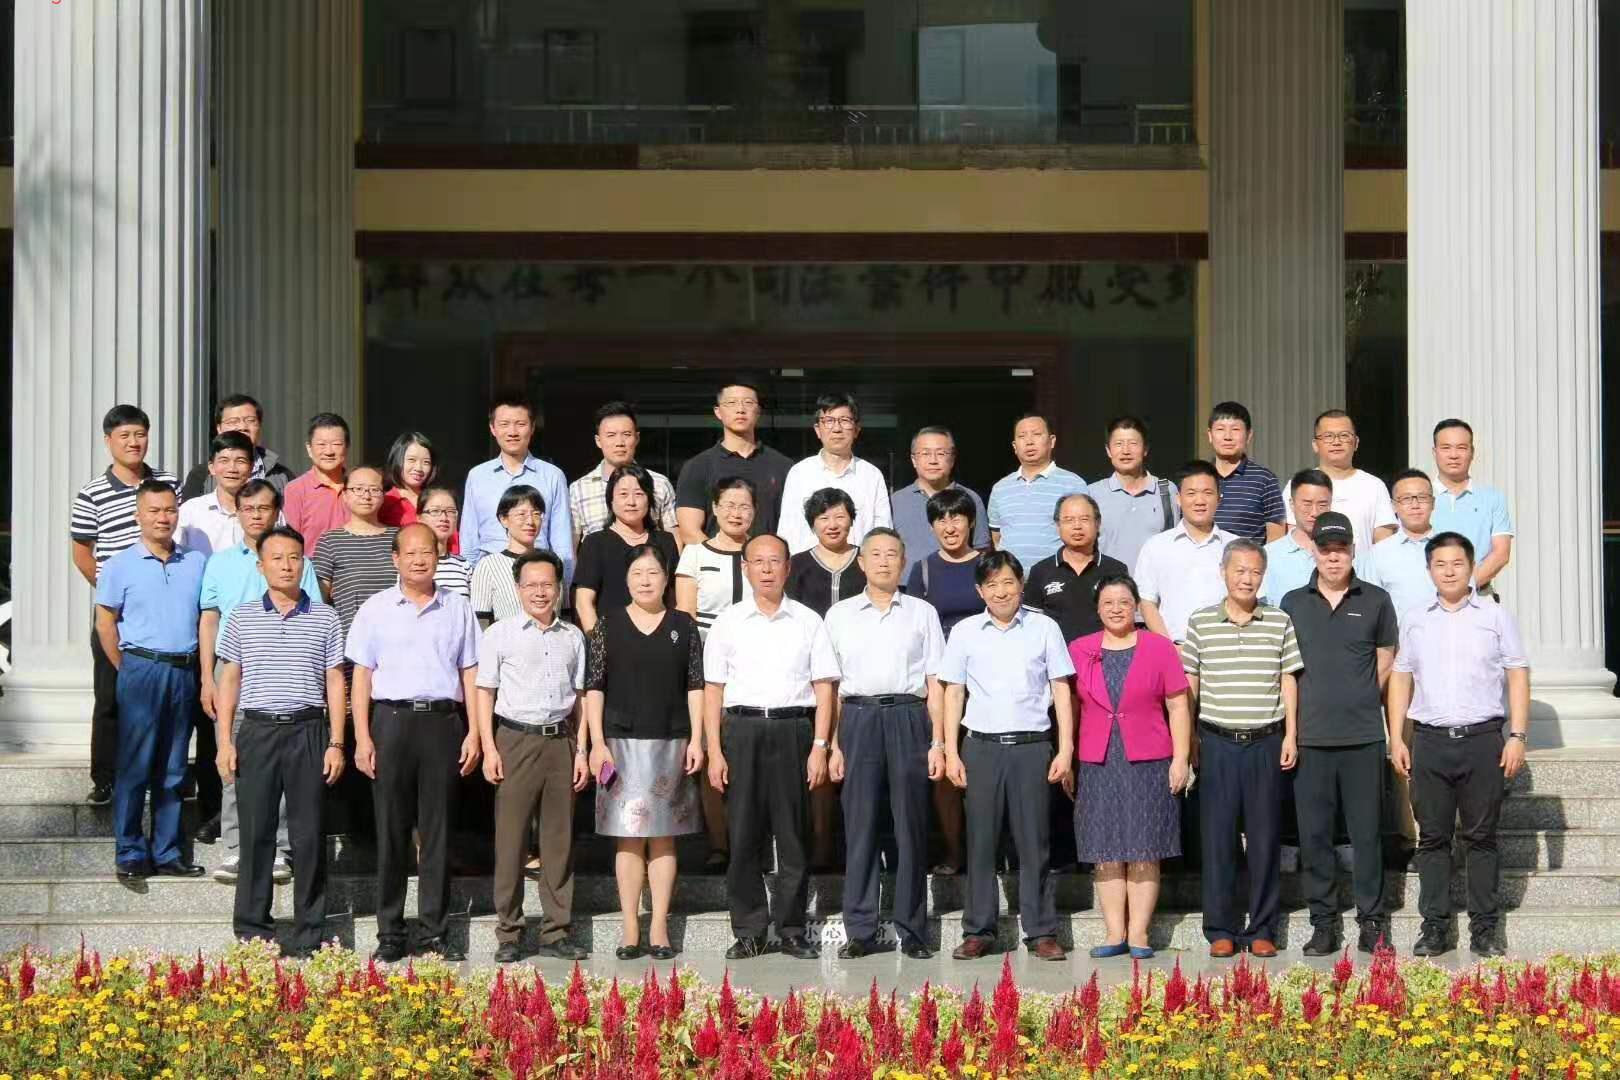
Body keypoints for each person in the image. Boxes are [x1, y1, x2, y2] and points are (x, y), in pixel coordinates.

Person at [1388, 532, 1530, 958]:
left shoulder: (1494, 616)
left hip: (1482, 740)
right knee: (1432, 839)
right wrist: (1396, 737)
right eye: (1440, 564)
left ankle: (1485, 930)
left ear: (1471, 568)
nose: (1449, 571)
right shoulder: (1415, 618)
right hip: (1430, 742)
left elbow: (1517, 672)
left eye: (1457, 564)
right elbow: (1401, 676)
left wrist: (1517, 735)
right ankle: (1434, 928)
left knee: (1481, 837)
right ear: (1429, 570)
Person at [348, 523, 483, 963]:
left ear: (438, 557)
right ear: (396, 558)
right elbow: (362, 675)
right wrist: (362, 736)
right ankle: (390, 931)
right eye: (410, 552)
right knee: (391, 830)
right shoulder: (375, 608)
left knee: (437, 831)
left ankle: (433, 932)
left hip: (443, 723)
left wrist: (475, 731)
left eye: (427, 551)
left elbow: (470, 672)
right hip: (390, 721)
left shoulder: (457, 607)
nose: (420, 559)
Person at [703, 534, 840, 961]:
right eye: (758, 562)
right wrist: (714, 750)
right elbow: (713, 690)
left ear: (787, 567)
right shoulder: (728, 622)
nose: (766, 569)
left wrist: (820, 746)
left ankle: (792, 929)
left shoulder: (808, 621)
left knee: (793, 834)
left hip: (792, 730)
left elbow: (825, 688)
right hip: (742, 730)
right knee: (743, 833)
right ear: (745, 568)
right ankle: (749, 930)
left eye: (774, 561)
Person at [211, 525, 346, 956]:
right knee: (256, 834)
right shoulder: (242, 617)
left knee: (308, 836)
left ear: (304, 563)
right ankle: (253, 931)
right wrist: (224, 742)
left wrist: (336, 742)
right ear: (261, 566)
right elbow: (228, 681)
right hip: (257, 732)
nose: (286, 566)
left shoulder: (325, 617)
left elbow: (335, 681)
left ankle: (310, 934)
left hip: (308, 731)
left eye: (294, 557)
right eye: (277, 558)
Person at [941, 551, 1076, 962]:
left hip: (1032, 747)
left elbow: (1061, 689)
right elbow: (953, 693)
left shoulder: (1044, 627)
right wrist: (951, 751)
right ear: (980, 590)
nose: (1001, 592)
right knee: (981, 843)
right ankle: (978, 930)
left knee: (1035, 843)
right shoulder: (965, 632)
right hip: (981, 747)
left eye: (1008, 582)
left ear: (1021, 584)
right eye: (991, 585)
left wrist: (1066, 748)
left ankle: (1041, 931)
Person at [824, 528, 946, 960]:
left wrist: (938, 742)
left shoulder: (922, 613)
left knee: (910, 825)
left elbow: (936, 681)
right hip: (857, 719)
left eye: (891, 554)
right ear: (861, 562)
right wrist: (832, 744)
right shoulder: (839, 614)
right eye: (874, 554)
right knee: (860, 825)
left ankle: (912, 929)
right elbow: (830, 686)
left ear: (903, 561)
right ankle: (860, 929)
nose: (883, 561)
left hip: (909, 717)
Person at [1280, 511, 1398, 955]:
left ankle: (1372, 922)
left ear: (1353, 551)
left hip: (1363, 736)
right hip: (1311, 739)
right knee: (1314, 837)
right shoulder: (1293, 602)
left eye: (1341, 549)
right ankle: (1323, 923)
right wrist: (1292, 731)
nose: (1334, 557)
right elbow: (1286, 670)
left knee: (1366, 835)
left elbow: (1385, 658)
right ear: (1313, 550)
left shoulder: (1377, 600)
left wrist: (1359, 695)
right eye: (1326, 549)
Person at [1181, 539, 1302, 959]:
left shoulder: (1279, 620)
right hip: (1216, 742)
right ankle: (1221, 928)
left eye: (1255, 572)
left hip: (1266, 742)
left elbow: (1288, 678)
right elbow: (1191, 682)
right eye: (1240, 570)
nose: (1247, 579)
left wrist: (1290, 734)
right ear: (1224, 572)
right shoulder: (1201, 622)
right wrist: (1189, 738)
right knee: (1218, 839)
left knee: (1265, 838)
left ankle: (1263, 927)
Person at [199, 479, 323, 885]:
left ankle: (280, 849)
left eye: (264, 508)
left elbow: (314, 615)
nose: (256, 515)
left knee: (284, 763)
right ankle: (237, 846)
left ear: (276, 511)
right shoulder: (220, 562)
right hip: (233, 668)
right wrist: (207, 677)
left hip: (286, 670)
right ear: (237, 513)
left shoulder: (298, 561)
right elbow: (209, 620)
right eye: (248, 508)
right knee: (233, 756)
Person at [584, 545, 705, 960]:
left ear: (666, 578)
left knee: (664, 837)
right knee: (629, 838)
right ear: (626, 580)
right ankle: (630, 927)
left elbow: (695, 686)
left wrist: (698, 739)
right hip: (620, 743)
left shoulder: (683, 626)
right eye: (637, 573)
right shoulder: (607, 624)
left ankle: (659, 927)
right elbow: (594, 687)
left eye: (653, 572)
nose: (645, 581)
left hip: (671, 741)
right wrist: (597, 743)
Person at [474, 548, 591, 964]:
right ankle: (509, 933)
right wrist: (489, 747)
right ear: (518, 588)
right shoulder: (499, 634)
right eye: (531, 585)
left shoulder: (572, 636)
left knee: (558, 841)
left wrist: (582, 750)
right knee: (511, 841)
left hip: (560, 742)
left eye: (547, 584)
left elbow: (580, 699)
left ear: (559, 588)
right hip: (515, 740)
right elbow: (484, 692)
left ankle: (556, 931)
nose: (540, 592)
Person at [1069, 574, 1192, 960]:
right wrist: (1067, 755)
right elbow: (1069, 707)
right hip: (1098, 759)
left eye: (1124, 602)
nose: (1116, 609)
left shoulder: (1159, 647)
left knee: (1145, 846)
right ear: (1097, 608)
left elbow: (1178, 705)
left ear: (1137, 605)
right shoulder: (1080, 649)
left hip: (1149, 758)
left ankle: (1139, 932)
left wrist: (1181, 758)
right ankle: (1114, 931)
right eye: (1108, 603)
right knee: (1105, 848)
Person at [93, 480, 208, 882]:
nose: (163, 518)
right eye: (154, 511)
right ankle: (129, 851)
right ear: (138, 515)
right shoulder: (119, 565)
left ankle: (167, 851)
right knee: (135, 765)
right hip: (141, 668)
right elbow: (105, 622)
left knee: (174, 766)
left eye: (170, 510)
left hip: (184, 670)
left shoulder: (196, 562)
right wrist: (126, 667)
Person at [71, 404, 181, 806]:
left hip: (163, 610)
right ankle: (104, 778)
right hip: (116, 612)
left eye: (140, 434)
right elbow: (82, 552)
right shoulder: (92, 493)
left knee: (162, 696)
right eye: (124, 436)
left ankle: (159, 774)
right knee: (111, 694)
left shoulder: (168, 484)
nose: (134, 442)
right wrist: (113, 590)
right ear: (108, 441)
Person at [902, 487, 985, 876]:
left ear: (971, 522)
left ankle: (989, 851)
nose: (949, 526)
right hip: (940, 683)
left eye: (957, 517)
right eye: (940, 519)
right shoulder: (922, 570)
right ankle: (953, 851)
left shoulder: (990, 565)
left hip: (986, 680)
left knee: (984, 769)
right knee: (944, 768)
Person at [674, 476, 755, 871]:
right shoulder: (694, 554)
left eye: (745, 506)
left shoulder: (762, 553)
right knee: (710, 751)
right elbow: (686, 618)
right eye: (729, 505)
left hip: (756, 669)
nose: (737, 513)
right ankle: (720, 843)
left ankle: (751, 842)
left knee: (750, 759)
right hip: (708, 668)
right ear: (715, 510)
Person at [461, 390, 574, 577]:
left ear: (532, 427)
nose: (512, 432)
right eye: (504, 424)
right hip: (490, 575)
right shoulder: (477, 476)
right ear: (492, 428)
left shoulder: (552, 476)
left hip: (538, 575)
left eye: (520, 424)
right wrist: (470, 582)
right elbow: (469, 540)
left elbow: (562, 543)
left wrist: (564, 587)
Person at [675, 380, 793, 547]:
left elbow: (794, 527)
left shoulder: (783, 466)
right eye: (731, 403)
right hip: (714, 561)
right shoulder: (697, 466)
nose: (740, 409)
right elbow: (690, 532)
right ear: (718, 412)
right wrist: (721, 557)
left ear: (758, 411)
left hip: (769, 561)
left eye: (748, 403)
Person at [778, 393, 892, 555]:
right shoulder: (799, 473)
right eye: (829, 421)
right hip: (808, 567)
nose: (837, 429)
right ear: (817, 429)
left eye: (844, 420)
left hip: (858, 566)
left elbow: (883, 532)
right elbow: (787, 530)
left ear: (856, 429)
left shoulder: (871, 476)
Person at [1135, 461, 1237, 642]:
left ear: (1219, 499)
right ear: (1178, 498)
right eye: (1191, 493)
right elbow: (1146, 602)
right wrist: (1169, 647)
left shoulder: (1236, 547)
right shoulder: (1156, 546)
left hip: (1225, 649)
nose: (1200, 501)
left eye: (1208, 493)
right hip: (1173, 648)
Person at [574, 465, 680, 632]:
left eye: (639, 494)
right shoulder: (595, 543)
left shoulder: (665, 542)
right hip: (611, 637)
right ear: (610, 500)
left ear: (649, 499)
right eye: (623, 494)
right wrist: (598, 641)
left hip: (660, 636)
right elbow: (584, 602)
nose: (631, 502)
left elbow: (674, 597)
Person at [1284, 409, 1396, 555]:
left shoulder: (1374, 486)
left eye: (1344, 436)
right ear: (1315, 445)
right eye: (1328, 436)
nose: (1336, 442)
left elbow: (1384, 543)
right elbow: (1291, 539)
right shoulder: (1300, 485)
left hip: (1361, 569)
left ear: (1356, 443)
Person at [986, 414, 1088, 572]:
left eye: (1036, 434)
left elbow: (1085, 534)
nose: (1029, 441)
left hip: (1058, 578)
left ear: (1052, 441)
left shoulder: (1073, 484)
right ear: (1014, 446)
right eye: (1022, 436)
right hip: (1011, 581)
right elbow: (996, 538)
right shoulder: (1000, 488)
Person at [568, 401, 678, 545]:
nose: (619, 442)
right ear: (598, 441)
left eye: (626, 434)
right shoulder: (579, 489)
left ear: (637, 438)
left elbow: (674, 537)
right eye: (611, 435)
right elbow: (572, 543)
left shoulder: (659, 483)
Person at [1025, 493, 1129, 644]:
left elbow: (1124, 620)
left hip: (1104, 653)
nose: (1077, 526)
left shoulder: (1116, 570)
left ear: (1098, 523)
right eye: (1069, 520)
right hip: (1056, 656)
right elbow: (1031, 625)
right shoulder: (1040, 571)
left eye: (1084, 519)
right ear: (1058, 525)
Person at [890, 426, 990, 583]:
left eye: (941, 453)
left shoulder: (970, 498)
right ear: (913, 460)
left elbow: (982, 550)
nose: (933, 460)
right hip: (907, 589)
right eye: (925, 453)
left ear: (952, 459)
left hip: (959, 586)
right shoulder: (896, 501)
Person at [1261, 469, 1373, 605]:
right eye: (1307, 504)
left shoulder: (1346, 554)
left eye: (1322, 505)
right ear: (1292, 504)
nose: (1314, 512)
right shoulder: (1269, 556)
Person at [312, 467, 399, 638]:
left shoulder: (399, 538)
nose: (366, 496)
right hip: (351, 642)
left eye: (374, 489)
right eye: (358, 489)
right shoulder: (330, 541)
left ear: (383, 495)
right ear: (345, 495)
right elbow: (319, 599)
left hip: (397, 639)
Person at [1429, 419, 1514, 592]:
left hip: (1478, 596)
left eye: (1461, 448)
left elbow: (1501, 553)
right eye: (1446, 448)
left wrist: (1465, 588)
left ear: (1472, 452)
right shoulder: (1420, 498)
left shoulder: (1492, 498)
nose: (1454, 455)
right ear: (1434, 452)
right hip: (1428, 598)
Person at [1088, 417, 1180, 572]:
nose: (1126, 451)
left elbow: (1175, 543)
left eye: (1133, 443)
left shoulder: (1167, 490)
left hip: (1153, 584)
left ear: (1145, 449)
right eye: (1118, 444)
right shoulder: (1093, 493)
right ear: (1108, 450)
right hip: (1108, 584)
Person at [180, 393, 296, 499]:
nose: (242, 427)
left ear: (260, 426)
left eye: (250, 420)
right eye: (233, 421)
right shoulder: (201, 475)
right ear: (219, 429)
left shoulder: (281, 475)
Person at [1206, 401, 1287, 543]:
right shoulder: (1199, 478)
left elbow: (1276, 539)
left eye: (1235, 429)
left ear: (1249, 435)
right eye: (1220, 429)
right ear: (1210, 435)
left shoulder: (1265, 480)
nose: (1227, 436)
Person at [1369, 469, 1439, 622]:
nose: (1415, 505)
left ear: (1433, 503)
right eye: (1406, 499)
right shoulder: (1378, 553)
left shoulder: (1451, 549)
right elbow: (1371, 608)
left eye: (1422, 498)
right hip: (1399, 636)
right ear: (1393, 506)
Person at [469, 486, 545, 627]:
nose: (530, 521)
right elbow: (481, 620)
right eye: (521, 514)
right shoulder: (489, 565)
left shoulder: (550, 563)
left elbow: (563, 613)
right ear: (503, 519)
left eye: (536, 514)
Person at [786, 488, 867, 617]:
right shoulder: (797, 564)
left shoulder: (867, 560)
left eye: (840, 517)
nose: (833, 525)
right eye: (824, 518)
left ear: (851, 520)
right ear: (812, 524)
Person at [176, 432, 256, 556]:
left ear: (251, 468)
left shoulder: (264, 511)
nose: (232, 469)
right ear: (211, 467)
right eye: (224, 461)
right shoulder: (190, 511)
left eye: (240, 461)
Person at [379, 432, 459, 554]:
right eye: (411, 460)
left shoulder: (438, 499)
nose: (419, 468)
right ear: (397, 460)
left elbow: (453, 538)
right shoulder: (385, 502)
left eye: (426, 462)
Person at [282, 413, 352, 550]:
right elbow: (290, 543)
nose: (329, 451)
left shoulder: (359, 487)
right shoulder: (296, 490)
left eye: (336, 444)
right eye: (321, 444)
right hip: (312, 564)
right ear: (309, 449)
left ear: (347, 447)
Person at [420, 486, 472, 599]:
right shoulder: (412, 564)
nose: (444, 518)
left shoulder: (464, 565)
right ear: (419, 518)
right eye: (435, 511)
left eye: (450, 511)